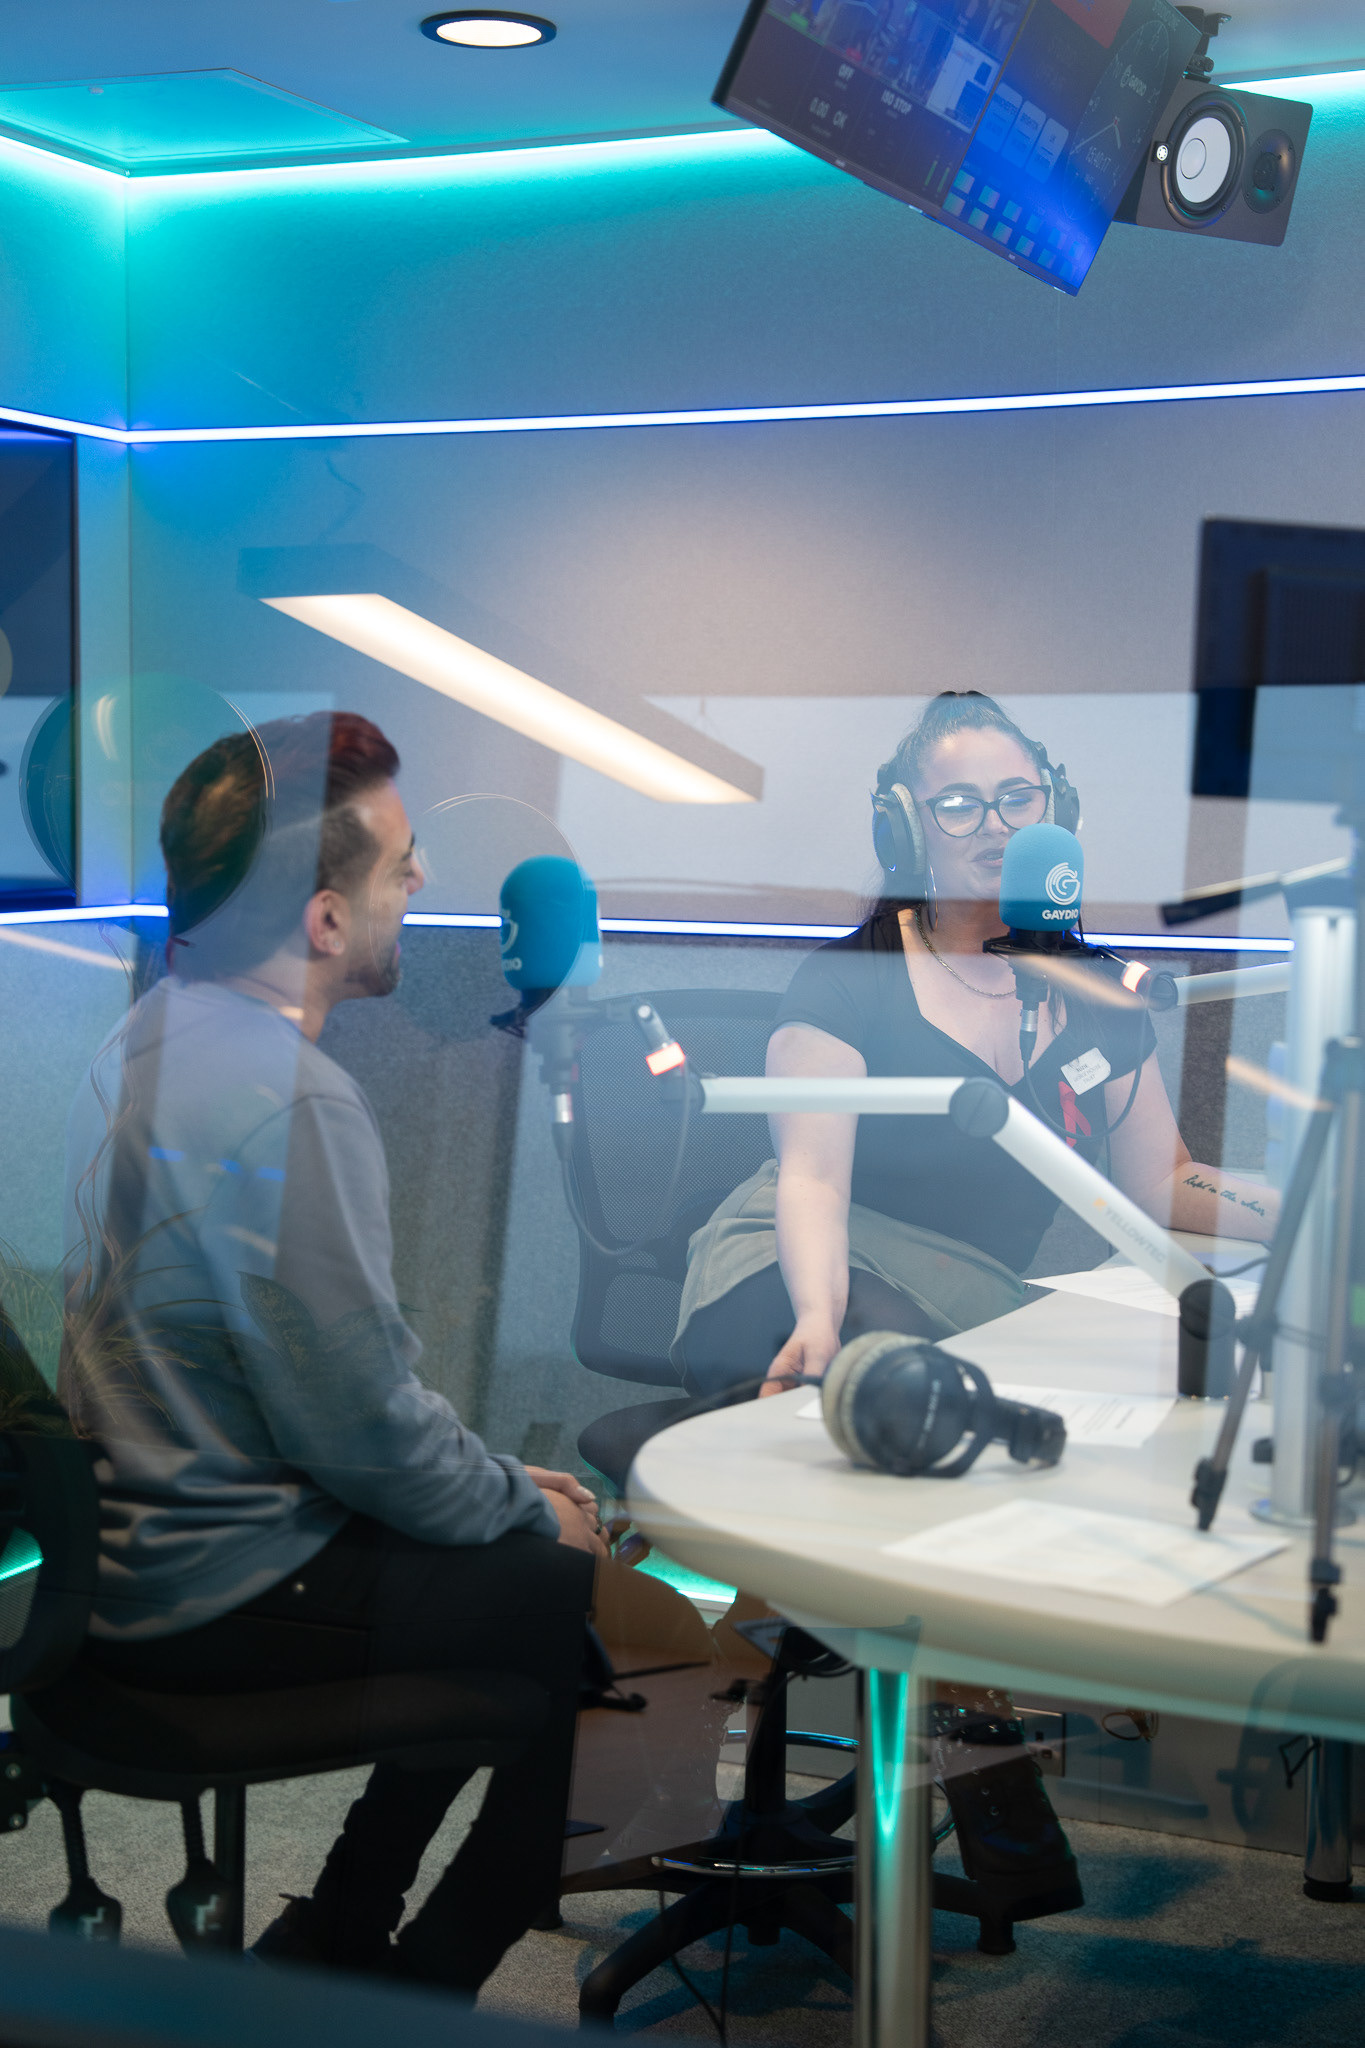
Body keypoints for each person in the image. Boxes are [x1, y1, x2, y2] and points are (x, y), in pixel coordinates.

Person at [59, 710, 604, 1992]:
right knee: (564, 1593)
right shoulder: (293, 1099)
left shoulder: (143, 1036)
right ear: (321, 919)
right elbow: (362, 1428)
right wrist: (530, 1504)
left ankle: (345, 1928)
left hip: (126, 1559)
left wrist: (502, 1492)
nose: (422, 881)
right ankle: (421, 1985)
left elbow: (330, 1406)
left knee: (505, 1546)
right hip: (219, 1589)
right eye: (400, 865)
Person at [672, 688, 1276, 1396]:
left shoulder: (1101, 995)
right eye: (959, 805)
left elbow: (1163, 1182)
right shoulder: (850, 979)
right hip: (801, 1268)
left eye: (1017, 799)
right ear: (907, 829)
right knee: (897, 1364)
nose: (996, 826)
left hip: (965, 1297)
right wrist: (816, 1317)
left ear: (1054, 812)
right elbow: (815, 1180)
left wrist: (1302, 1218)